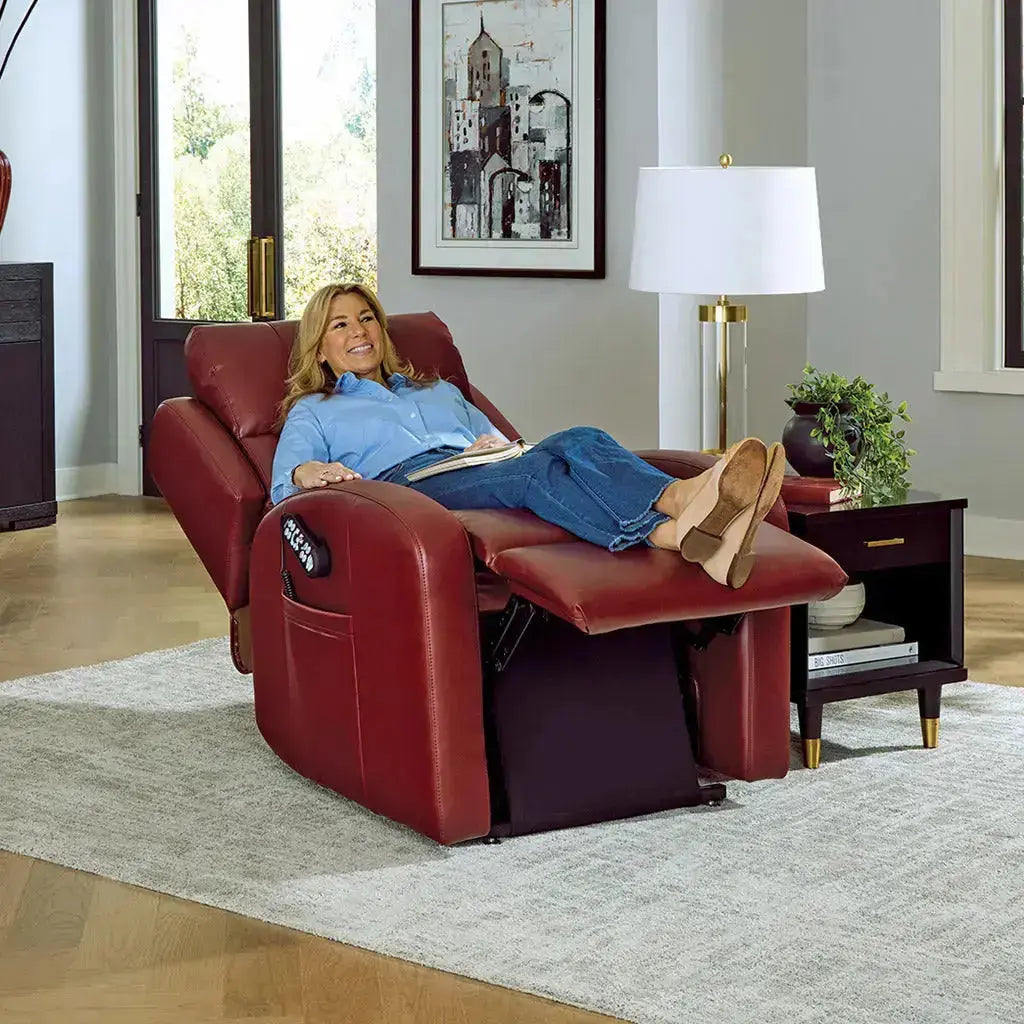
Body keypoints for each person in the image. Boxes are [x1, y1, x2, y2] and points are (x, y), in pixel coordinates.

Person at [270, 282, 785, 589]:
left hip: (477, 466)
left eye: (366, 319)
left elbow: (499, 441)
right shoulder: (316, 409)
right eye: (340, 326)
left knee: (577, 438)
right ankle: (688, 506)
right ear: (319, 349)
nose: (359, 331)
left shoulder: (437, 391)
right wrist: (313, 471)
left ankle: (687, 527)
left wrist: (490, 444)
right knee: (537, 470)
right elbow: (287, 481)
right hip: (410, 489)